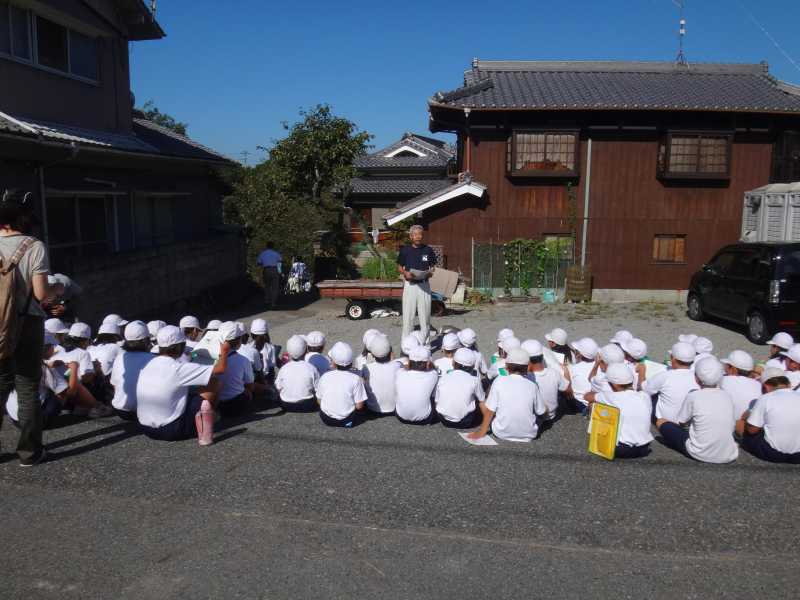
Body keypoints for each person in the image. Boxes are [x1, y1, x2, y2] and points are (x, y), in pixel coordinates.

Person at [0, 191, 65, 465]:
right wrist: (58, 288)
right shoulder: (33, 246)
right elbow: (41, 294)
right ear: (22, 217)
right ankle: (29, 452)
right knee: (27, 386)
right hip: (26, 323)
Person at [136, 325, 230, 443]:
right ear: (180, 346)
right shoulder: (178, 368)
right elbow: (221, 368)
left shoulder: (147, 365)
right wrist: (225, 350)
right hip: (171, 430)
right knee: (213, 382)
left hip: (145, 427)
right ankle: (209, 417)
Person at [655, 357, 738, 464]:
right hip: (728, 454)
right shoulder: (727, 396)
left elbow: (680, 422)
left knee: (661, 422)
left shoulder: (694, 396)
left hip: (699, 453)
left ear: (696, 378)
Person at [468, 348, 546, 442]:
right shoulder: (532, 385)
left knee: (490, 404)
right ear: (527, 367)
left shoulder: (499, 381)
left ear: (506, 366)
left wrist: (482, 432)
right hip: (529, 434)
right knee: (543, 409)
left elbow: (489, 411)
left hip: (500, 432)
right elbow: (542, 412)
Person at [592, 363, 653, 459]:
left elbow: (587, 396)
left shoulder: (611, 396)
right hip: (644, 448)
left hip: (620, 450)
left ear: (615, 385)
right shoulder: (645, 396)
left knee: (595, 406)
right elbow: (642, 387)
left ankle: (602, 441)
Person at [738, 368, 800, 463]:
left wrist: (746, 419)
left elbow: (752, 430)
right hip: (798, 456)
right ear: (788, 385)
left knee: (740, 424)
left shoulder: (765, 398)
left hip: (773, 454)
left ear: (765, 386)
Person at [396, 225, 436, 341]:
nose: (418, 236)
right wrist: (405, 273)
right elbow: (399, 266)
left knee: (425, 317)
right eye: (415, 234)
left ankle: (426, 344)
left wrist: (430, 272)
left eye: (420, 234)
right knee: (408, 316)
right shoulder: (405, 250)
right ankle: (406, 344)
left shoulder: (428, 250)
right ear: (411, 236)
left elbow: (433, 267)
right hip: (410, 285)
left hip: (424, 285)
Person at [110, 321, 154, 421]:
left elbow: (114, 385)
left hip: (120, 410)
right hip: (142, 413)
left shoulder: (120, 357)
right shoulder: (152, 358)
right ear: (145, 341)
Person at [644, 342, 699, 422]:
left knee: (652, 394)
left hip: (664, 422)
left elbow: (645, 390)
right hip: (688, 422)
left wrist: (642, 372)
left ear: (673, 359)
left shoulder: (665, 375)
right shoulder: (698, 377)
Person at [316, 342, 367, 428]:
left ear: (333, 363)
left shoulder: (325, 376)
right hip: (347, 420)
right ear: (351, 362)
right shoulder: (356, 379)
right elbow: (359, 406)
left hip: (326, 419)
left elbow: (319, 400)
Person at [435, 348, 484, 428]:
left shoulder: (444, 378)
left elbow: (437, 401)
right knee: (479, 399)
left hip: (443, 419)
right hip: (464, 422)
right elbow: (482, 401)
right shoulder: (474, 380)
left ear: (453, 363)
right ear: (472, 366)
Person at [522, 339, 568, 422]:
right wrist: (566, 371)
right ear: (542, 356)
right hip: (552, 414)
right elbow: (567, 389)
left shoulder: (526, 378)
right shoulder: (554, 373)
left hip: (535, 417)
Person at [215, 322, 255, 417]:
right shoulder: (243, 360)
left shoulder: (211, 357)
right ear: (238, 341)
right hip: (237, 404)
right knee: (248, 391)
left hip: (217, 403)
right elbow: (249, 385)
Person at [274, 335, 319, 412]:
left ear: (288, 352)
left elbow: (278, 387)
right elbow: (317, 388)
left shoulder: (284, 368)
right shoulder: (311, 368)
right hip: (307, 405)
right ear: (306, 351)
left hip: (286, 405)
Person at [395, 346, 438, 424]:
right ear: (428, 363)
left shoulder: (400, 373)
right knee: (432, 393)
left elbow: (404, 368)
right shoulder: (433, 375)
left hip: (401, 417)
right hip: (425, 419)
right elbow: (434, 368)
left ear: (409, 361)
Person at [361, 334, 401, 416]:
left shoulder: (366, 368)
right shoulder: (398, 365)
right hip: (395, 408)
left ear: (371, 354)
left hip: (372, 409)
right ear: (390, 352)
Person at [719, 350, 761, 420]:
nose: (725, 368)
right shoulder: (759, 385)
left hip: (730, 424)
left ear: (733, 369)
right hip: (751, 425)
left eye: (727, 366)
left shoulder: (723, 380)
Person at [565, 337, 599, 414]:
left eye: (576, 350)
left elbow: (567, 389)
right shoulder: (599, 365)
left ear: (580, 354)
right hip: (596, 403)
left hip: (581, 405)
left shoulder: (573, 368)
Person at [257, 241, 282, 309]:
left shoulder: (263, 254)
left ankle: (267, 300)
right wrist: (279, 272)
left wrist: (259, 274)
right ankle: (273, 303)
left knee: (267, 285)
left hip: (266, 270)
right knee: (275, 287)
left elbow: (259, 263)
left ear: (266, 246)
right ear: (273, 246)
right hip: (275, 270)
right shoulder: (276, 253)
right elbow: (279, 263)